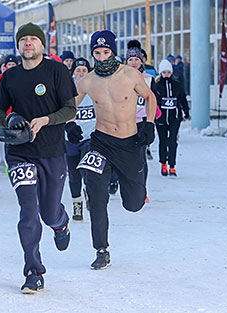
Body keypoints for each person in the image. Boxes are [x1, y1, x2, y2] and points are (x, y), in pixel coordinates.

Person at [0, 22, 77, 294]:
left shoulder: (57, 71)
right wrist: (10, 118)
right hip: (19, 153)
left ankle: (60, 222)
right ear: (18, 46)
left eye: (33, 39)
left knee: (48, 212)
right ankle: (33, 271)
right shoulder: (10, 77)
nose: (28, 43)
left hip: (52, 151)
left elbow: (70, 110)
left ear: (42, 45)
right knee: (28, 212)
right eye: (24, 39)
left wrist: (47, 120)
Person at [74, 30, 156, 270]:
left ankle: (131, 186)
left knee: (134, 203)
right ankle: (101, 249)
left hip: (129, 143)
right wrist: (70, 124)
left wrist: (149, 125)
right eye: (96, 53)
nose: (101, 57)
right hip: (100, 142)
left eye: (106, 52)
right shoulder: (87, 81)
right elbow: (70, 104)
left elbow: (150, 97)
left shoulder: (130, 75)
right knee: (97, 196)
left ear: (113, 51)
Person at [126, 41, 162, 203]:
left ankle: (142, 189)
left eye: (136, 59)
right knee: (125, 156)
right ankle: (122, 184)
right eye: (130, 60)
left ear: (142, 61)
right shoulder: (120, 77)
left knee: (140, 157)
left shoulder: (148, 79)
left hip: (141, 122)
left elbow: (154, 101)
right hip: (124, 122)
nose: (133, 63)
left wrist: (150, 122)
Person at [65, 57, 95, 221]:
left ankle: (89, 193)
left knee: (87, 170)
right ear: (73, 73)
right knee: (74, 174)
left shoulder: (94, 88)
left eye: (84, 70)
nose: (81, 73)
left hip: (89, 137)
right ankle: (77, 204)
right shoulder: (66, 90)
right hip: (70, 139)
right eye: (78, 70)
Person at [154, 60, 189, 176]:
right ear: (160, 73)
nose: (166, 75)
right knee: (163, 141)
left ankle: (172, 165)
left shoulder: (177, 85)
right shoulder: (157, 86)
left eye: (169, 72)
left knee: (172, 141)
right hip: (161, 118)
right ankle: (163, 163)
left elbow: (182, 98)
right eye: (164, 72)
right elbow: (153, 101)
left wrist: (186, 111)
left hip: (174, 118)